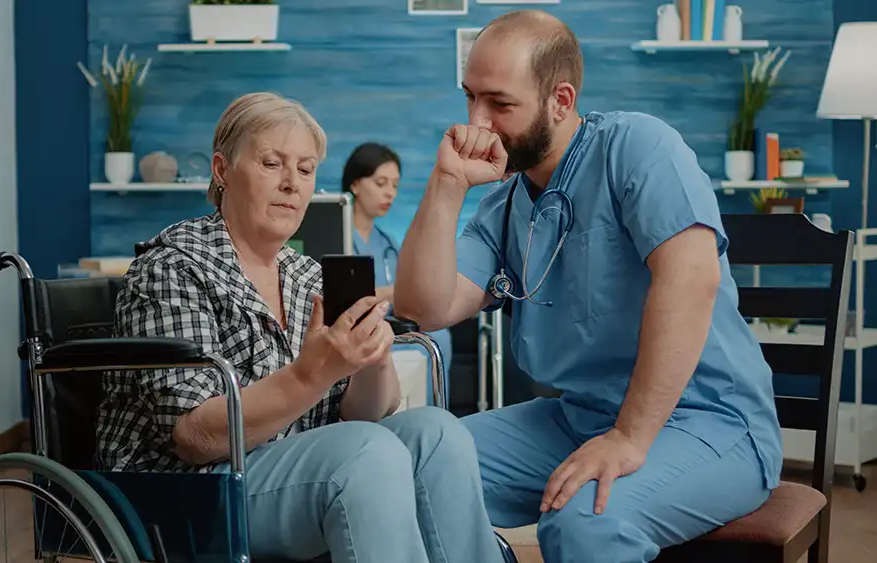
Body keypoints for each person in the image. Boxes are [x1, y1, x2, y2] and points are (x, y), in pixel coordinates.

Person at [394, 10, 782, 563]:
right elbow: (423, 307)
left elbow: (691, 279)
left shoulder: (638, 146)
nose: (477, 123)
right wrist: (447, 183)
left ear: (561, 99)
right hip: (578, 417)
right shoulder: (504, 206)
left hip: (708, 422)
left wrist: (628, 438)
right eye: (470, 98)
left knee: (581, 522)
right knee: (406, 465)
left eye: (500, 104)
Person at [94, 92, 504, 563]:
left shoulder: (308, 276)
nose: (291, 184)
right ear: (222, 170)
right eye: (272, 163)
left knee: (438, 434)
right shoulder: (173, 268)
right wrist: (312, 373)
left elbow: (363, 415)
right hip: (190, 495)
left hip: (288, 471)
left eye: (306, 170)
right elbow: (195, 438)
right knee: (364, 454)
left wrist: (369, 362)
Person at [341, 142, 454, 376]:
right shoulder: (338, 237)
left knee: (440, 336)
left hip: (390, 326)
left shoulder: (388, 243)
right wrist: (395, 291)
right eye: (380, 183)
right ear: (355, 184)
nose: (390, 192)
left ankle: (432, 411)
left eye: (394, 185)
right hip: (354, 332)